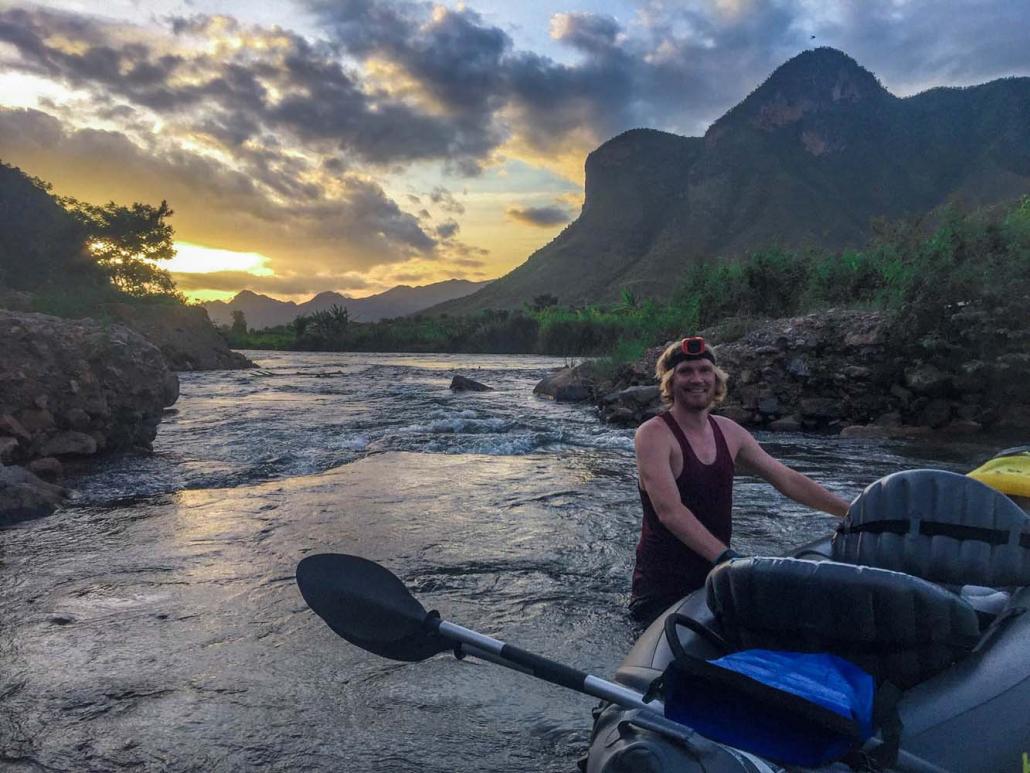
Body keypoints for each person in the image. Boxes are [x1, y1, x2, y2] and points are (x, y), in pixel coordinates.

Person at [629, 336, 851, 626]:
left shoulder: (730, 432)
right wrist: (727, 558)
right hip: (662, 592)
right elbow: (670, 512)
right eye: (686, 371)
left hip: (715, 581)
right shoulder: (653, 435)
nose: (697, 379)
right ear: (670, 381)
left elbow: (785, 478)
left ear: (716, 378)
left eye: (704, 370)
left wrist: (851, 512)